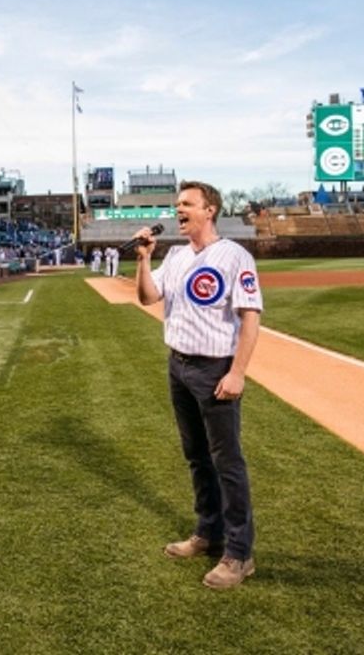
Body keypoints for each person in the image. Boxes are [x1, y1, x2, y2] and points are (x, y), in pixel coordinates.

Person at [134, 181, 263, 590]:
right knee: (196, 456)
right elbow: (147, 297)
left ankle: (240, 554)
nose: (179, 210)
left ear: (210, 210)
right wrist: (142, 260)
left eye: (187, 204)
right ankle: (209, 533)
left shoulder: (233, 256)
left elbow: (250, 316)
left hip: (214, 369)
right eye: (177, 205)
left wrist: (238, 372)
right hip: (179, 365)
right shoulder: (173, 255)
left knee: (227, 461)